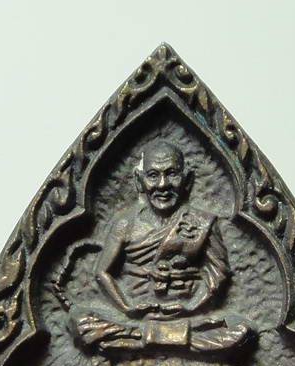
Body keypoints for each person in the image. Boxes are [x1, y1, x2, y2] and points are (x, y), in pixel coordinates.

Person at [70, 140, 252, 353]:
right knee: (80, 322)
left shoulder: (201, 222)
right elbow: (102, 272)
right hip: (137, 317)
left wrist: (191, 306)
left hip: (188, 317)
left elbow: (218, 273)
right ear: (139, 181)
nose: (163, 185)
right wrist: (127, 307)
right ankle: (170, 340)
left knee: (242, 330)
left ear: (187, 179)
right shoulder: (125, 223)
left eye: (172, 174)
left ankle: (140, 340)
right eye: (153, 175)